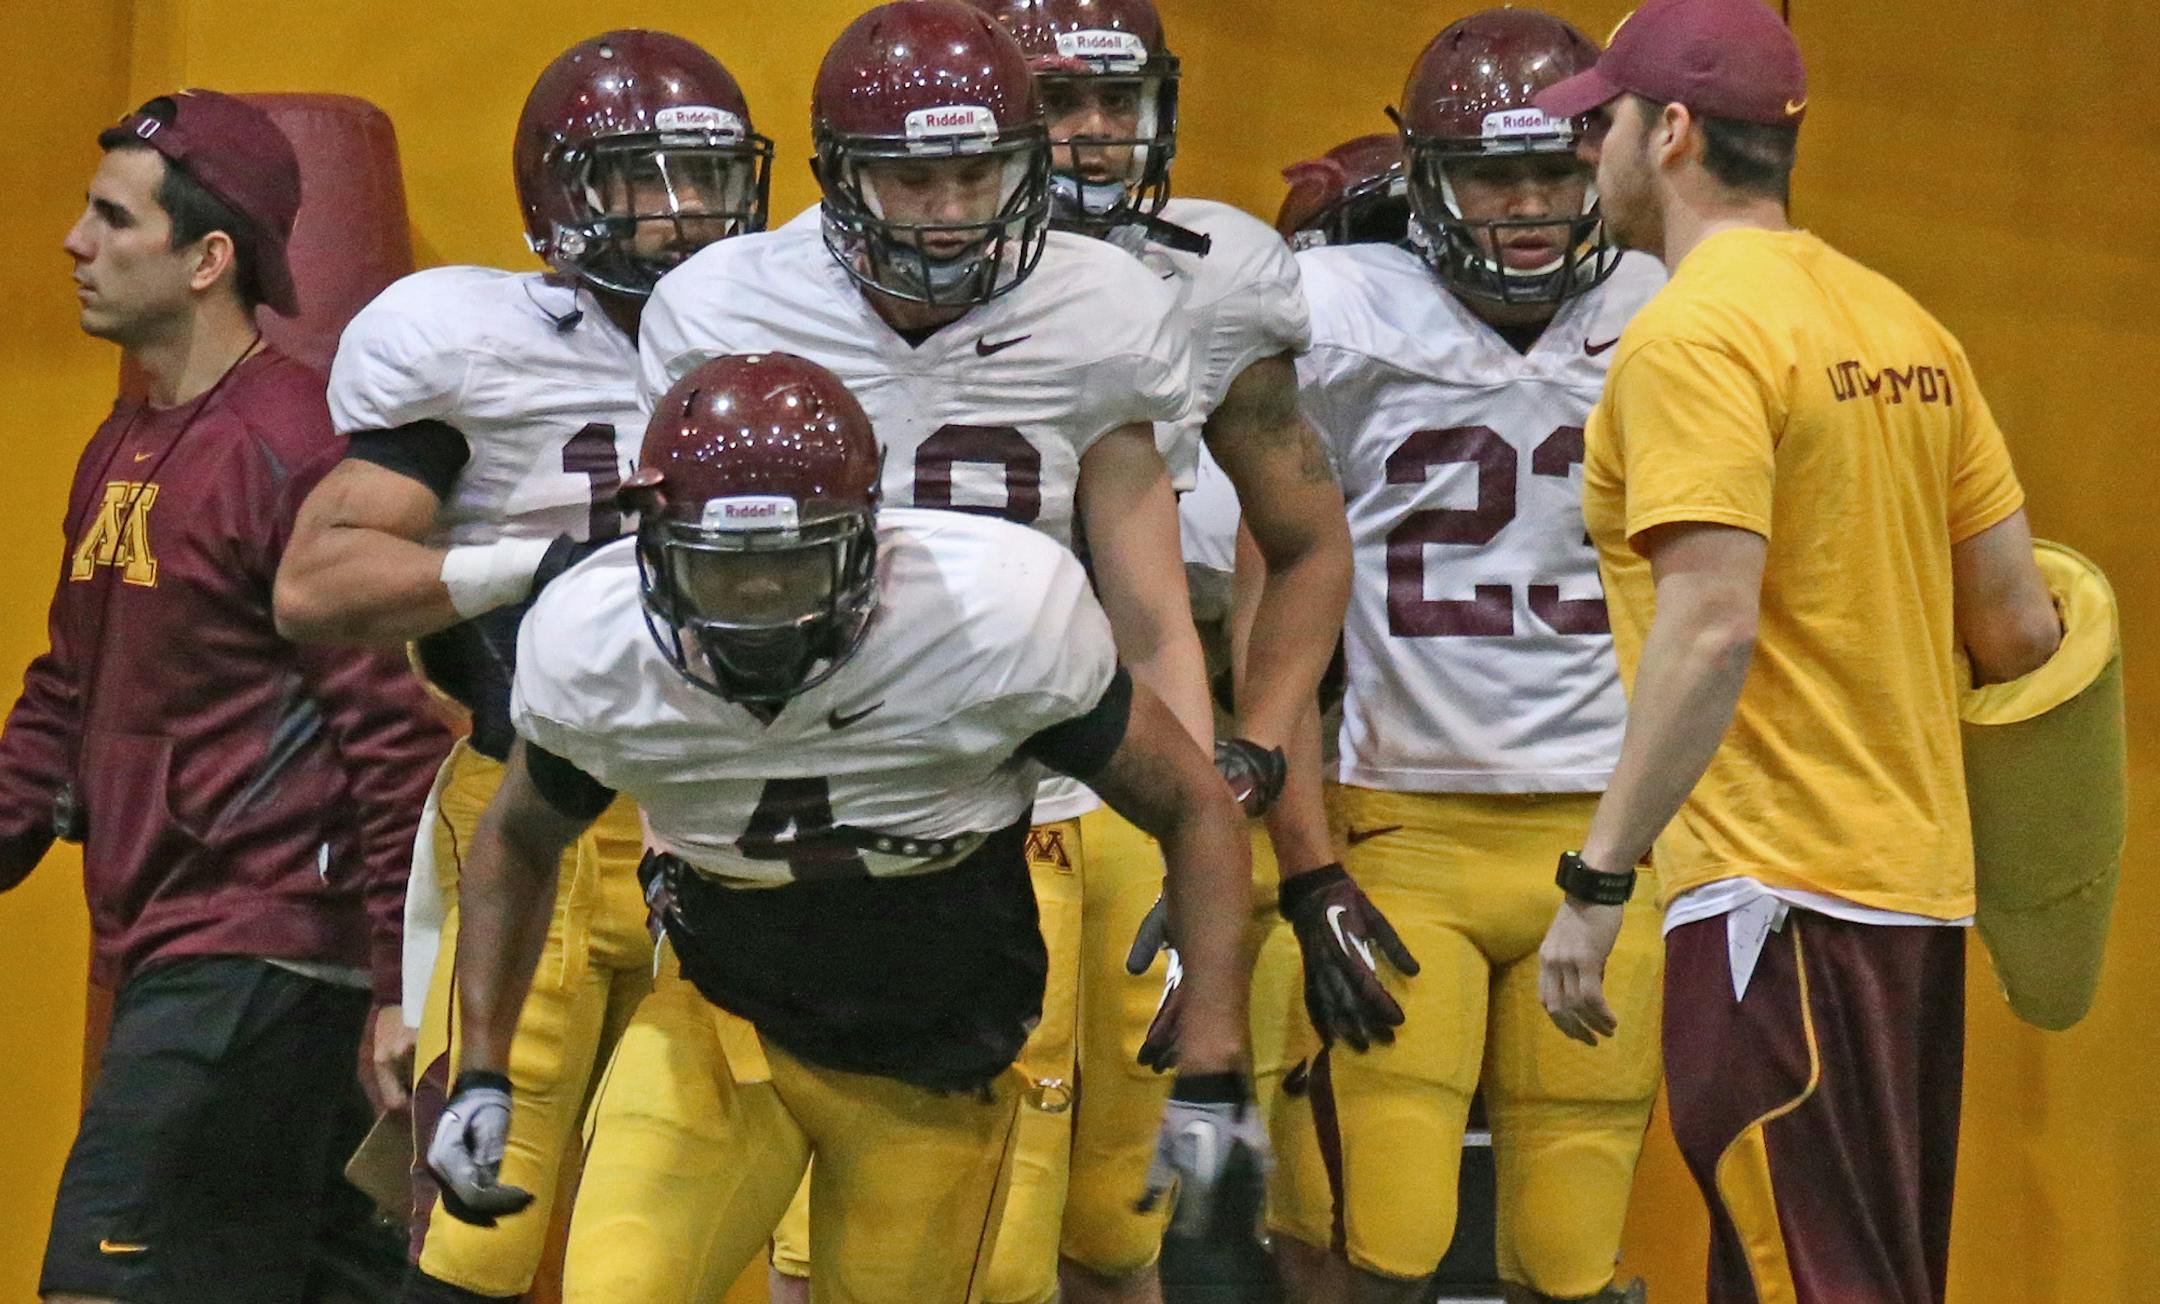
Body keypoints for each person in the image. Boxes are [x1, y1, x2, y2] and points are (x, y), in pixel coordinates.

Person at [420, 352, 1265, 1304]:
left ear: (871, 537)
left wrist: (1215, 1060)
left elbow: (1195, 805)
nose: (758, 604)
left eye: (792, 564)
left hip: (938, 1052)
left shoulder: (992, 621)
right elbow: (519, 839)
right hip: (720, 1018)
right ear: (652, 543)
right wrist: (482, 1069)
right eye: (722, 568)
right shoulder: (595, 642)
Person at [632, 10, 1229, 1299]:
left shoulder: (1105, 308)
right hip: (825, 813)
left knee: (1090, 1227)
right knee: (831, 1228)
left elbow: (1153, 618)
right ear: (840, 171)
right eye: (914, 175)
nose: (952, 208)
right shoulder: (729, 304)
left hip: (1054, 793)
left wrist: (1188, 848)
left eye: (979, 173)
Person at [1527, 1, 2062, 1301]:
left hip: (1775, 903)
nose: (1585, 149)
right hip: (1914, 906)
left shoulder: (1694, 336)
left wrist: (1597, 885)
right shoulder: (1905, 329)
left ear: (1672, 132)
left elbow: (1711, 625)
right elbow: (2021, 629)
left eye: (1602, 122)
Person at [270, 31, 771, 1303]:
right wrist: (523, 566)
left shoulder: (791, 329)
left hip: (731, 821)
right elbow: (315, 582)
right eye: (640, 181)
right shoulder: (480, 342)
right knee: (478, 1216)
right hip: (529, 809)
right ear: (561, 194)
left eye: (706, 181)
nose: (682, 216)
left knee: (701, 1225)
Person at [7, 89, 449, 1303]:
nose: (74, 243)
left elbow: (389, 735)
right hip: (179, 951)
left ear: (209, 259)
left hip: (264, 954)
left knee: (102, 1278)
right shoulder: (126, 441)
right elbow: (65, 689)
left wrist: (401, 988)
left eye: (111, 219)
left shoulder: (293, 445)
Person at [961, 4, 1358, 1300]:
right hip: (941, 767)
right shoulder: (863, 272)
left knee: (1121, 1221)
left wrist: (1240, 767)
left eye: (1112, 99)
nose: (1088, 132)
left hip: (1134, 759)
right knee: (951, 1207)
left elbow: (1303, 543)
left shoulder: (1214, 273)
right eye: (1056, 98)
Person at [1279, 12, 1668, 1303]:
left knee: (1572, 1256)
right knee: (1382, 1238)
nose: (1527, 206)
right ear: (1422, 177)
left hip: (1607, 836)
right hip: (1409, 833)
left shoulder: (1663, 312)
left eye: (1555, 171)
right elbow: (1259, 584)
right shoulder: (1335, 313)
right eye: (1492, 174)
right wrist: (1303, 859)